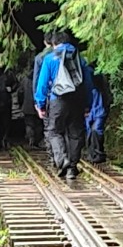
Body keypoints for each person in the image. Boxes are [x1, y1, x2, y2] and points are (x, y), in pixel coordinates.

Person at [33, 28, 90, 181]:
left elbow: (42, 84)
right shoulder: (80, 59)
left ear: (54, 44)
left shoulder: (50, 58)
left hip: (58, 100)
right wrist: (87, 105)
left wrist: (40, 104)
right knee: (75, 134)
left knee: (53, 131)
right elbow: (87, 84)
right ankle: (72, 168)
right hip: (77, 100)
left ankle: (61, 160)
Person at [83, 66, 111, 164]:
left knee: (96, 129)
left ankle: (98, 153)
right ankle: (92, 154)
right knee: (90, 130)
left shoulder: (96, 84)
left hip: (98, 108)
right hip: (93, 108)